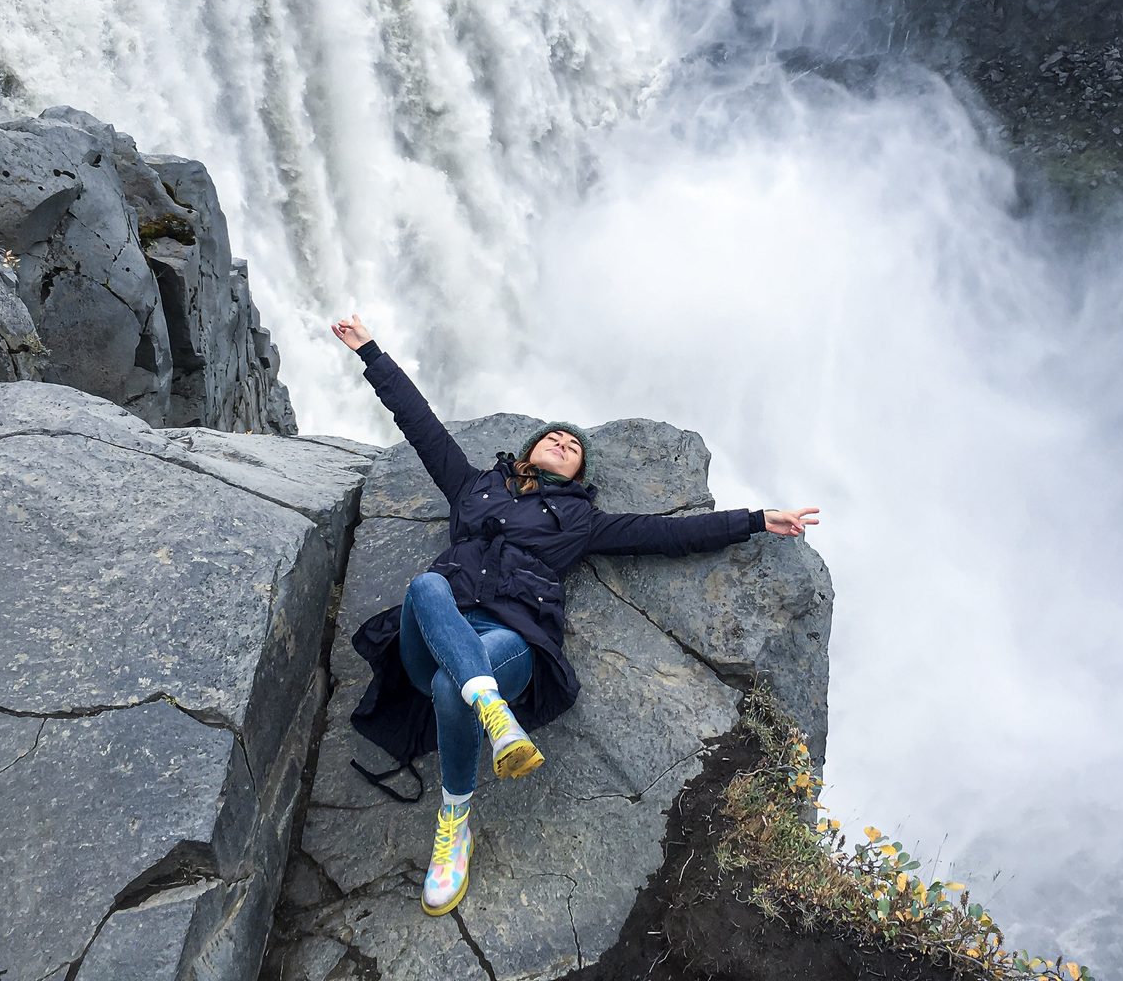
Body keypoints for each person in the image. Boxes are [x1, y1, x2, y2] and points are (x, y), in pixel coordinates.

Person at [331, 314, 819, 918]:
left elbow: (667, 534)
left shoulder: (583, 522)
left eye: (574, 447)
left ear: (579, 473)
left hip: (510, 638)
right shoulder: (471, 487)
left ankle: (455, 822)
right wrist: (371, 353)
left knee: (448, 687)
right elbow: (421, 424)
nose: (564, 444)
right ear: (531, 450)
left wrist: (754, 519)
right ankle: (495, 714)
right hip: (431, 629)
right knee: (428, 586)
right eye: (554, 439)